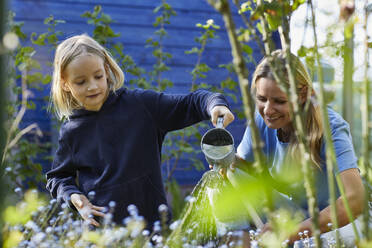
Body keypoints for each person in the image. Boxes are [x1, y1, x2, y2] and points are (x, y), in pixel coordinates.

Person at [46, 34, 235, 227]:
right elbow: (58, 177)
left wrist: (215, 105)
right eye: (81, 82)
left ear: (107, 69)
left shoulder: (141, 106)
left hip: (152, 228)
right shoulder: (72, 131)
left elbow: (192, 102)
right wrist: (74, 197)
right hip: (102, 234)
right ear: (65, 83)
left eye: (98, 76)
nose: (92, 86)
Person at [230, 50, 365, 244]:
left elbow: (355, 200)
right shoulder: (262, 121)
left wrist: (293, 231)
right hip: (294, 213)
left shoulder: (331, 126)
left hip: (334, 222)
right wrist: (225, 161)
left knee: (307, 243)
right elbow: (243, 169)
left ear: (302, 95)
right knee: (228, 176)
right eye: (262, 99)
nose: (268, 110)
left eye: (279, 101)